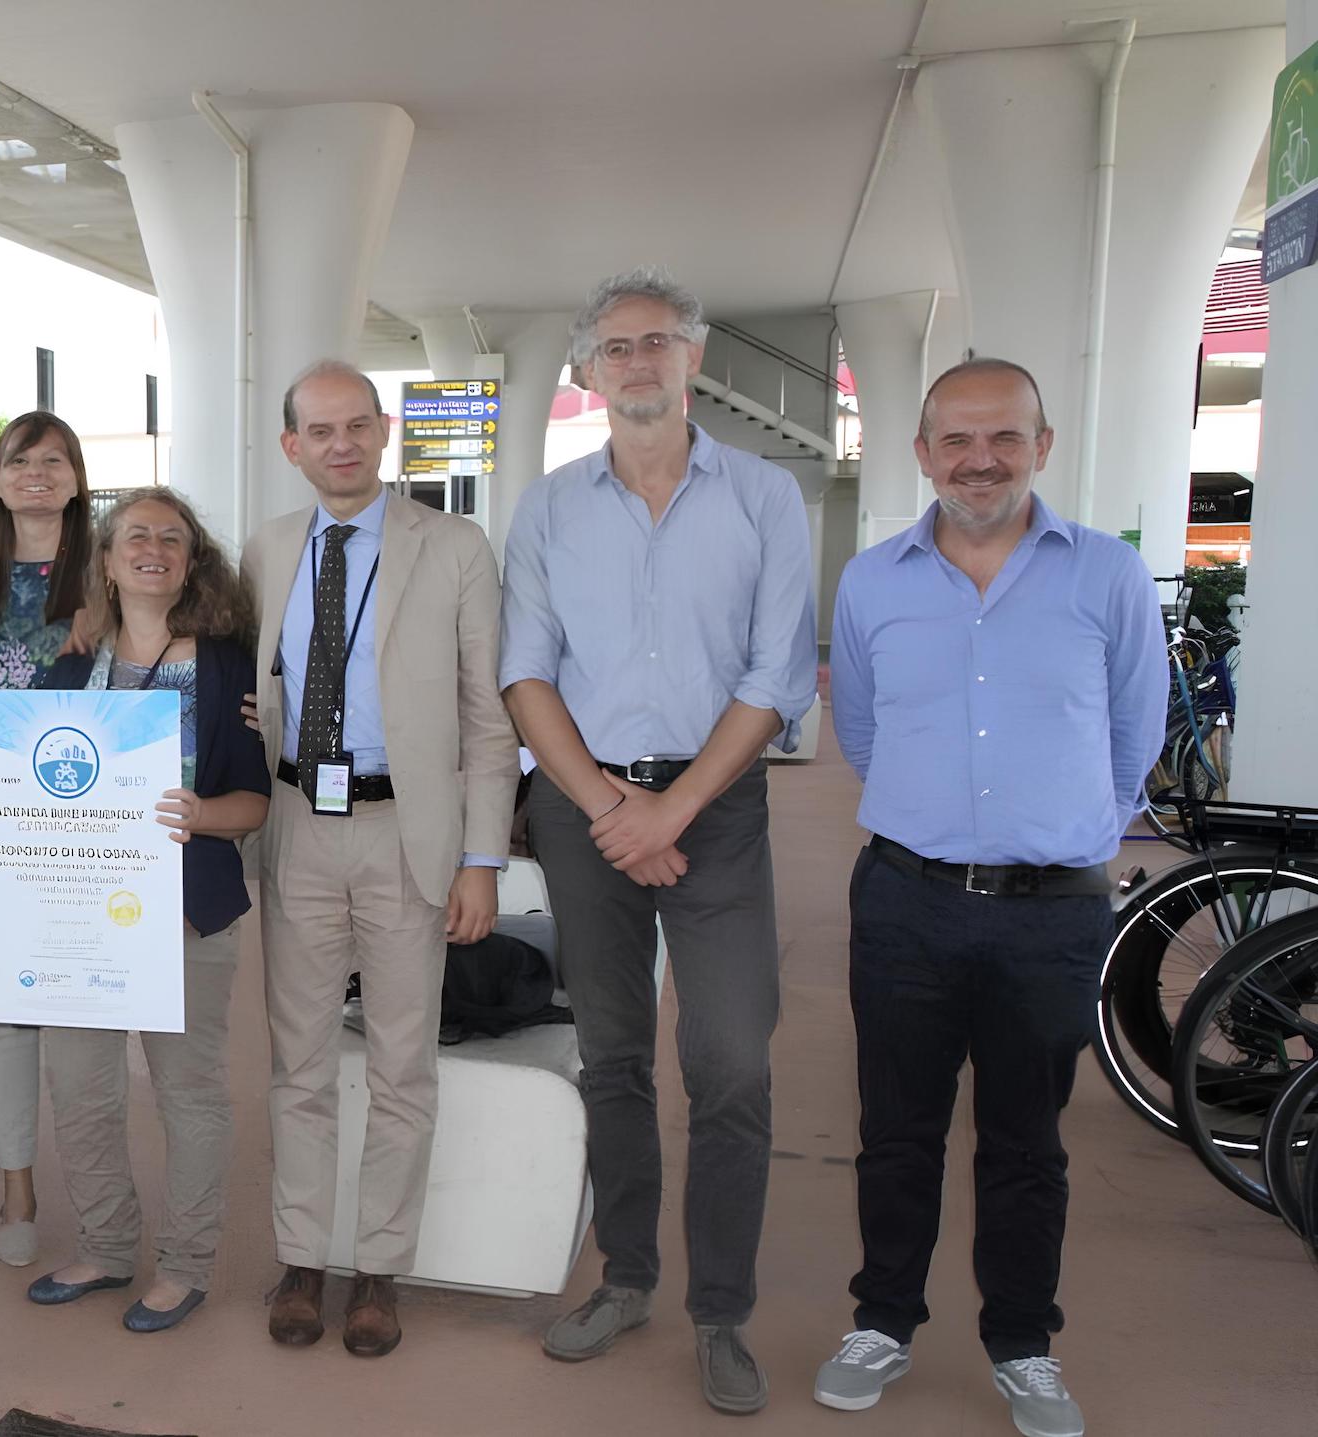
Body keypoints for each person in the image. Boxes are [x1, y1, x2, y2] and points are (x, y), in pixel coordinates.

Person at [814, 360, 1165, 1437]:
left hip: (1048, 914)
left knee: (1025, 1142)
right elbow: (862, 732)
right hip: (905, 901)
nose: (978, 459)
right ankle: (881, 1320)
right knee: (895, 1132)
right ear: (920, 455)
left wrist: (1065, 839)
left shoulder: (1106, 576)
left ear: (1041, 446)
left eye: (1002, 438)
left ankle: (1021, 1342)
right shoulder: (872, 580)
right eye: (954, 440)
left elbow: (1132, 739)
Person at [500, 265, 817, 1415]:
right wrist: (604, 809)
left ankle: (719, 1312)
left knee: (730, 1060)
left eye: (657, 342)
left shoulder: (764, 498)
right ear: (588, 372)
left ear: (694, 360)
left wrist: (669, 810)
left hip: (713, 808)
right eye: (616, 347)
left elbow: (775, 676)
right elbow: (523, 673)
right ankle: (626, 1276)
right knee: (613, 1057)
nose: (636, 362)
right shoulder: (545, 507)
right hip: (585, 812)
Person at [244, 360, 520, 1358]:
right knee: (298, 1064)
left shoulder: (450, 547)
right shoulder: (267, 549)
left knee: (403, 1064)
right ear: (292, 447)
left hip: (409, 833)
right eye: (319, 431)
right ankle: (301, 1258)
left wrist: (481, 858)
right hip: (295, 828)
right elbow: (251, 684)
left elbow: (488, 721)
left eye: (357, 424)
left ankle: (377, 1272)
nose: (341, 444)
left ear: (383, 430)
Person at [0, 486, 268, 1331]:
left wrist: (203, 814)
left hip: (186, 915)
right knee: (81, 1090)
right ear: (104, 560)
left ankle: (185, 1264)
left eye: (171, 537)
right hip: (78, 920)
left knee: (190, 1093)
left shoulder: (230, 665)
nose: (153, 547)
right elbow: (35, 778)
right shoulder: (72, 666)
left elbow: (253, 797)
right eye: (134, 534)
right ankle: (106, 1246)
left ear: (190, 561)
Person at [0, 410, 95, 1266]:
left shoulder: (112, 574)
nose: (36, 473)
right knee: (7, 1014)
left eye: (53, 460)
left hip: (88, 827)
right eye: (19, 461)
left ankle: (94, 1185)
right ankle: (16, 1185)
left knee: (80, 1005)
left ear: (78, 477)